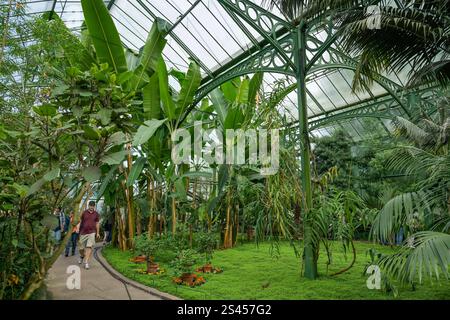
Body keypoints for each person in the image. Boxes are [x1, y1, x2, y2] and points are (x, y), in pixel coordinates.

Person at [78, 201, 100, 269]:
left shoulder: (96, 214)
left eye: (93, 206)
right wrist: (78, 228)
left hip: (92, 232)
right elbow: (80, 221)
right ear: (88, 205)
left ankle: (86, 262)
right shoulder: (84, 213)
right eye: (90, 206)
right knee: (81, 247)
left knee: (89, 247)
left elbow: (97, 223)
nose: (91, 207)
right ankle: (82, 256)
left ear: (94, 206)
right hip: (83, 232)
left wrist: (98, 233)